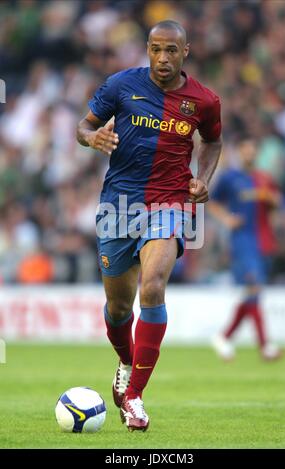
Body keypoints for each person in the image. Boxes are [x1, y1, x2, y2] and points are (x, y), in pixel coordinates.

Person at [77, 20, 222, 432]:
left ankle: (135, 396)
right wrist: (92, 139)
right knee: (120, 308)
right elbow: (82, 127)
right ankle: (126, 361)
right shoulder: (121, 85)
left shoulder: (205, 101)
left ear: (185, 52)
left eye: (171, 50)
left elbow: (212, 141)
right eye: (156, 49)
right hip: (118, 205)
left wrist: (203, 178)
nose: (163, 58)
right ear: (147, 49)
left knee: (153, 287)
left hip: (169, 203)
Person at [209, 136, 282, 361]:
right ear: (239, 153)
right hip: (242, 241)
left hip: (264, 242)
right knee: (253, 287)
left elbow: (276, 203)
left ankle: (223, 337)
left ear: (257, 153)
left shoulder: (264, 179)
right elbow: (211, 201)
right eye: (245, 150)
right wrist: (227, 219)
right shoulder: (230, 178)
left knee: (252, 292)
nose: (249, 154)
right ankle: (265, 345)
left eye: (252, 150)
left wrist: (269, 198)